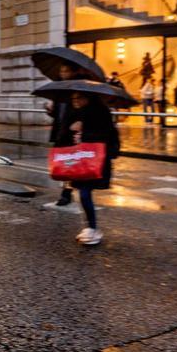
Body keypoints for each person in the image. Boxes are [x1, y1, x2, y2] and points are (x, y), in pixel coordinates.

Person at [54, 91, 119, 246]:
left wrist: (85, 134)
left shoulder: (101, 112)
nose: (75, 100)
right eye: (73, 98)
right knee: (82, 193)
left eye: (79, 97)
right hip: (77, 159)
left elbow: (108, 135)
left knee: (84, 193)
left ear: (88, 98)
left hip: (93, 159)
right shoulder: (74, 112)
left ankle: (92, 228)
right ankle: (90, 227)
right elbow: (63, 133)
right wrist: (71, 131)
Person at [46, 61, 91, 207]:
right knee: (63, 164)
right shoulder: (59, 89)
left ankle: (66, 193)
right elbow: (57, 114)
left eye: (66, 71)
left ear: (73, 72)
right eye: (61, 71)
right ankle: (68, 190)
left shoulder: (78, 89)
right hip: (60, 131)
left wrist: (80, 122)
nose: (63, 74)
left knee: (70, 164)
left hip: (72, 133)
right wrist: (50, 109)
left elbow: (83, 110)